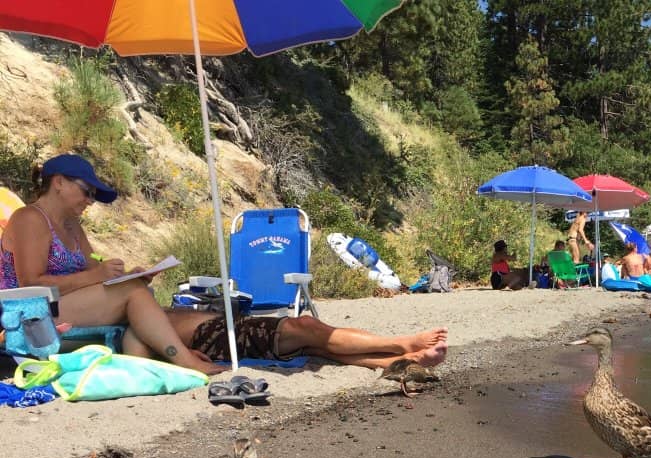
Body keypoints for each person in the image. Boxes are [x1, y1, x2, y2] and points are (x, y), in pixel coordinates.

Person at [0, 154, 223, 374]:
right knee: (132, 294)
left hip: (60, 307)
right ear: (59, 182)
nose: (90, 201)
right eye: (87, 192)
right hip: (30, 317)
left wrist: (124, 277)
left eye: (94, 196)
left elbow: (94, 272)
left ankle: (142, 372)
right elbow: (30, 283)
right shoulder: (29, 218)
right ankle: (184, 360)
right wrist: (104, 278)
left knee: (138, 295)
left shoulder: (72, 226)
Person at [160, 311, 447, 371]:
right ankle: (401, 345)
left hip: (220, 328)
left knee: (315, 344)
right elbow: (140, 344)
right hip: (215, 335)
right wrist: (183, 355)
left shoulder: (129, 300)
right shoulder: (126, 317)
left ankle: (392, 361)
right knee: (306, 326)